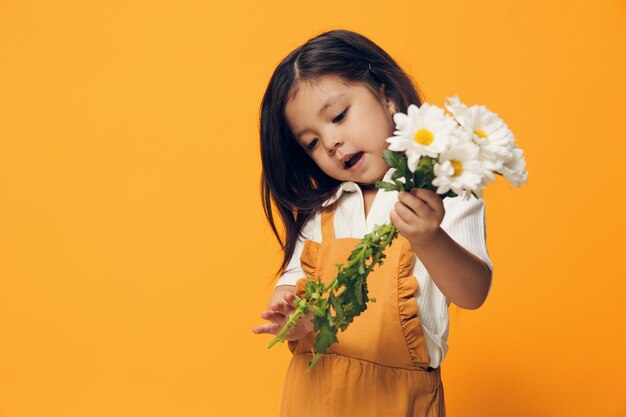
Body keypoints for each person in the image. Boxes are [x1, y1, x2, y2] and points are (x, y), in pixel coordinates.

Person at [252, 29, 493, 417]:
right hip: (313, 399)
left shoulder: (444, 189)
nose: (330, 142)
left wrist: (429, 237)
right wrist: (290, 313)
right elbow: (292, 283)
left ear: (387, 95)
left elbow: (473, 292)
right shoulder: (324, 211)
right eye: (311, 142)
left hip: (399, 400)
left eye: (338, 116)